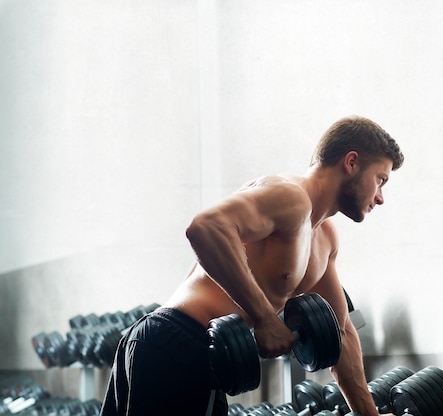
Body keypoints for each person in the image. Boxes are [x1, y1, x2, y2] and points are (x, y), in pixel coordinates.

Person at [101, 115, 404, 416]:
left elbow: (341, 334)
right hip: (173, 343)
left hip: (207, 358)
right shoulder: (291, 197)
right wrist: (264, 317)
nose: (380, 198)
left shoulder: (324, 238)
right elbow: (206, 227)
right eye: (381, 180)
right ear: (351, 162)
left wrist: (369, 415)